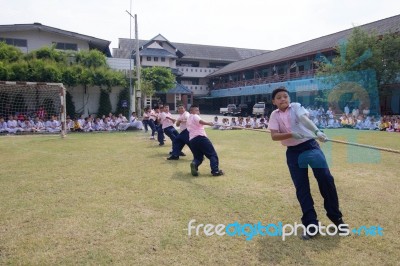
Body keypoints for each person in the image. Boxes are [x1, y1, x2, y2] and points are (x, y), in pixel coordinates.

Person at [267, 86, 345, 240]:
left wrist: (317, 132)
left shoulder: (296, 107)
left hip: (310, 146)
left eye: (285, 96)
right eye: (279, 97)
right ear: (274, 101)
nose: (283, 99)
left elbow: (305, 119)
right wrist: (290, 134)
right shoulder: (274, 115)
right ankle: (311, 225)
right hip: (293, 153)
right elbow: (274, 136)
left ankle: (337, 219)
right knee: (302, 188)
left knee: (326, 179)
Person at [186, 105, 224, 176]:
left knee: (198, 157)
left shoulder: (189, 119)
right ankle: (215, 171)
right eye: (196, 110)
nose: (198, 112)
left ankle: (194, 164)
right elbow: (200, 121)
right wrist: (208, 123)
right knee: (212, 155)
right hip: (201, 138)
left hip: (192, 141)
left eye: (198, 110)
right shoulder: (195, 116)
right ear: (191, 111)